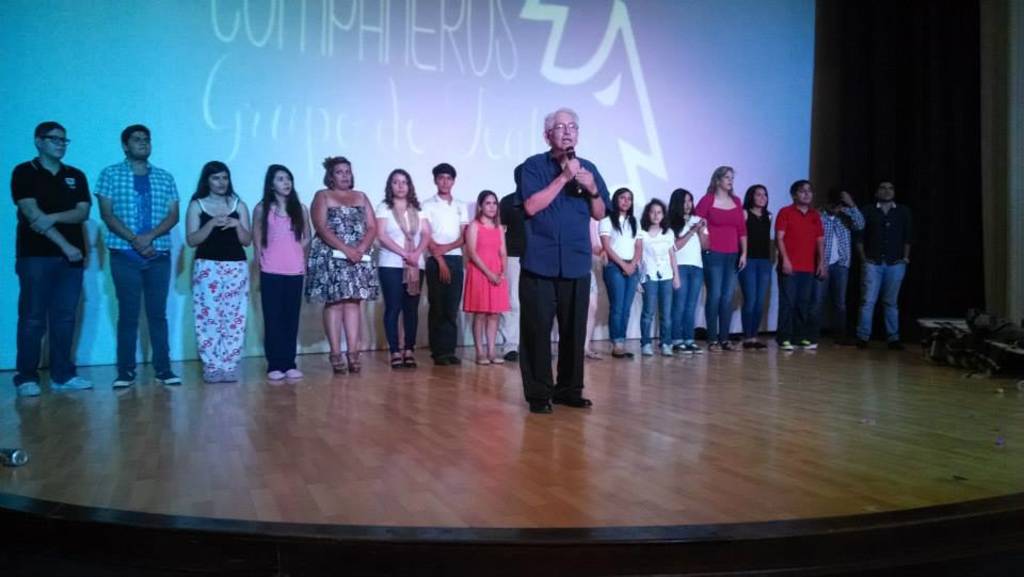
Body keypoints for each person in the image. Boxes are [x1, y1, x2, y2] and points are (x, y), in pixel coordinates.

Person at [518, 107, 610, 414]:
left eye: (573, 126)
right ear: (548, 135)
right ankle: (539, 394)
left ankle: (569, 390)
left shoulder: (589, 168)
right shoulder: (533, 166)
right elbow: (531, 206)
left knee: (574, 330)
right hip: (540, 262)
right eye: (560, 127)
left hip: (576, 261)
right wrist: (564, 178)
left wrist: (592, 188)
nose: (568, 131)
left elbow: (600, 212)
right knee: (537, 331)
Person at [11, 121, 92, 397]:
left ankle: (63, 375)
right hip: (36, 256)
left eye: (63, 140)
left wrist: (53, 217)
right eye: (54, 139)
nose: (60, 144)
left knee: (65, 318)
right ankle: (26, 377)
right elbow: (31, 214)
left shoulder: (75, 175)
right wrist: (66, 245)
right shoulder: (24, 171)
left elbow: (82, 212)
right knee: (32, 318)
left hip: (71, 261)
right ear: (38, 141)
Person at [96, 124, 181, 388]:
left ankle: (163, 369)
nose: (143, 143)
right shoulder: (110, 174)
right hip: (124, 255)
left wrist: (149, 236)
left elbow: (174, 215)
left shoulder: (165, 177)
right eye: (136, 139)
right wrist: (135, 239)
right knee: (128, 314)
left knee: (158, 314)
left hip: (158, 254)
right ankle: (125, 371)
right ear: (125, 145)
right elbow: (107, 214)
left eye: (146, 139)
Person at [305, 156, 379, 374]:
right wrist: (346, 249)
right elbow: (321, 227)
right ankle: (336, 353)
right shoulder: (323, 195)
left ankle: (353, 352)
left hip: (358, 256)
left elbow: (372, 227)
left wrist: (360, 249)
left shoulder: (361, 196)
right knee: (335, 302)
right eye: (339, 172)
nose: (345, 175)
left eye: (347, 171)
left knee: (354, 303)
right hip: (331, 255)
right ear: (331, 176)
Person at [185, 161, 251, 382]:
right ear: (207, 180)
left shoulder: (239, 205)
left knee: (235, 316)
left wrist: (237, 225)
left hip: (236, 266)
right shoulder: (197, 205)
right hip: (207, 266)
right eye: (216, 178)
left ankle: (229, 364)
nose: (221, 182)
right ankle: (212, 365)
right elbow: (192, 240)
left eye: (224, 177)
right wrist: (211, 223)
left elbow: (247, 240)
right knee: (208, 316)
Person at [252, 164, 310, 380]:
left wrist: (298, 253)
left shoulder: (300, 209)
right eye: (280, 179)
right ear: (271, 184)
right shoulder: (262, 209)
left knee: (291, 318)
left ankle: (289, 362)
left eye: (288, 178)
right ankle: (274, 364)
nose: (286, 183)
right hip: (271, 270)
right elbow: (257, 239)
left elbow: (307, 236)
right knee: (273, 318)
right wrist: (261, 263)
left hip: (294, 270)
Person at [376, 169, 431, 369]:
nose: (400, 186)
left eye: (404, 182)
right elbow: (381, 235)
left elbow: (426, 233)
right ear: (390, 186)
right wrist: (404, 253)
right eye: (396, 182)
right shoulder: (384, 207)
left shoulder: (417, 209)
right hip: (391, 263)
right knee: (393, 307)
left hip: (416, 264)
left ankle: (409, 349)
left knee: (411, 309)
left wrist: (416, 253)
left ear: (409, 186)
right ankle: (394, 351)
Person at [422, 163, 470, 366]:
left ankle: (449, 350)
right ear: (435, 180)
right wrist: (439, 258)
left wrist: (446, 248)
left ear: (453, 181)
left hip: (455, 258)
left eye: (448, 178)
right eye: (441, 178)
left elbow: (464, 235)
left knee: (451, 306)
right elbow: (426, 235)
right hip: (435, 260)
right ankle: (438, 351)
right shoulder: (426, 205)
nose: (445, 182)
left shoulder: (460, 205)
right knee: (438, 306)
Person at [695, 166, 747, 352]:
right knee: (715, 295)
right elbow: (696, 224)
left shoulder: (736, 201)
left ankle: (724, 338)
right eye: (727, 177)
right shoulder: (708, 200)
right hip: (713, 254)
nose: (730, 180)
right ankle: (712, 339)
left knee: (727, 297)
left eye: (732, 178)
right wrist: (704, 241)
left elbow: (742, 230)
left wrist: (744, 253)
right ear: (717, 180)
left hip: (732, 254)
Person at [856, 181, 912, 350]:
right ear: (876, 192)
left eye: (890, 188)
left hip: (895, 263)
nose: (887, 191)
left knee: (891, 302)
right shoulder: (868, 210)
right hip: (873, 263)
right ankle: (863, 337)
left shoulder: (903, 211)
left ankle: (893, 338)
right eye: (883, 188)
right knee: (867, 301)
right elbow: (859, 236)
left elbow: (908, 236)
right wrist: (863, 258)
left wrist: (905, 258)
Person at [775, 180, 825, 351]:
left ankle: (799, 337)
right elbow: (779, 238)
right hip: (790, 265)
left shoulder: (814, 215)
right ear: (794, 195)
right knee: (788, 302)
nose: (807, 194)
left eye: (809, 191)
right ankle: (784, 338)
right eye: (802, 191)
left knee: (803, 303)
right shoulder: (785, 212)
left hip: (809, 266)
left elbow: (820, 240)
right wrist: (785, 260)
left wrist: (821, 262)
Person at [463, 190, 510, 365]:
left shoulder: (499, 228)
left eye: (494, 203)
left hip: (497, 274)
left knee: (494, 314)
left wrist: (503, 272)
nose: (492, 207)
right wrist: (489, 273)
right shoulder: (474, 226)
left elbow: (503, 252)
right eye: (488, 203)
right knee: (481, 313)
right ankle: (480, 352)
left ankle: (491, 350)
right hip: (480, 273)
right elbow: (472, 252)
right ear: (480, 206)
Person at [599, 187, 642, 359]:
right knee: (617, 306)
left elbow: (639, 246)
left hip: (631, 266)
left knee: (626, 307)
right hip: (614, 266)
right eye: (622, 198)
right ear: (616, 199)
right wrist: (624, 265)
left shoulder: (635, 222)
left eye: (629, 199)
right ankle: (617, 342)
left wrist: (633, 264)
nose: (626, 201)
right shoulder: (606, 221)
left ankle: (622, 341)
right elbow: (607, 247)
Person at [819, 188, 864, 345]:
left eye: (838, 205)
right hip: (823, 263)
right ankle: (812, 333)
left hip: (841, 264)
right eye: (833, 205)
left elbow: (860, 224)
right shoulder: (819, 215)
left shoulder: (846, 215)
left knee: (840, 303)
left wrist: (851, 204)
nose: (836, 208)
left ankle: (840, 336)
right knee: (818, 300)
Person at [667, 188, 708, 354]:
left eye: (690, 200)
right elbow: (675, 246)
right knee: (679, 304)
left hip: (697, 267)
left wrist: (702, 231)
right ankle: (676, 340)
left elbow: (706, 246)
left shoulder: (698, 220)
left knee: (692, 305)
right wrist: (692, 231)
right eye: (684, 201)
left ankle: (689, 339)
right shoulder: (670, 222)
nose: (688, 204)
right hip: (680, 267)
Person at [638, 199, 679, 357]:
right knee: (648, 312)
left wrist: (676, 276)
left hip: (666, 276)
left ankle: (666, 343)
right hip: (649, 276)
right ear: (648, 214)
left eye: (659, 212)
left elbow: (672, 255)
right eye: (652, 212)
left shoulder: (668, 233)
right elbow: (638, 256)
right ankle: (646, 343)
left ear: (663, 215)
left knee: (666, 313)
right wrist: (637, 280)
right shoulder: (641, 233)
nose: (656, 215)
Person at [497, 164, 526, 362]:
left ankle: (533, 346)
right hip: (513, 256)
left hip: (538, 257)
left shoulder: (541, 199)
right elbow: (500, 232)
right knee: (513, 301)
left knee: (536, 303)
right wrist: (501, 257)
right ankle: (510, 345)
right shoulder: (508, 202)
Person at [738, 185, 773, 349]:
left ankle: (754, 335)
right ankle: (747, 336)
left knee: (760, 301)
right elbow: (740, 236)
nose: (762, 197)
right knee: (750, 300)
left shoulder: (769, 216)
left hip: (764, 262)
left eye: (765, 195)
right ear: (751, 197)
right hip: (749, 261)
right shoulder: (744, 213)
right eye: (758, 194)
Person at [584, 218, 604, 360]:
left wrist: (602, 251)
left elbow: (595, 245)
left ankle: (585, 346)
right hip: (569, 265)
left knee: (592, 307)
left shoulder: (592, 221)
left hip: (587, 267)